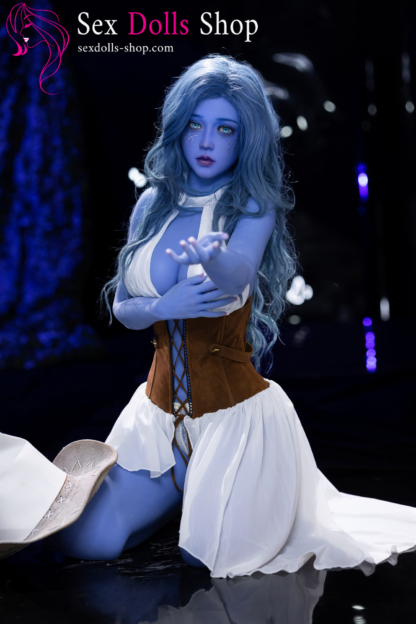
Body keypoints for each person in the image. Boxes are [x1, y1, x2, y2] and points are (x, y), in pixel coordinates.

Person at [56, 54, 416, 577]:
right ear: (178, 127)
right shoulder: (151, 203)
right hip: (158, 422)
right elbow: (123, 308)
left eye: (225, 129)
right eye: (195, 125)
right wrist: (163, 306)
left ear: (245, 138)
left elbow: (237, 276)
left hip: (235, 420)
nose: (206, 142)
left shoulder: (250, 205)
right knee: (90, 541)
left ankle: (199, 498)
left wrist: (212, 257)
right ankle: (178, 494)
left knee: (208, 557)